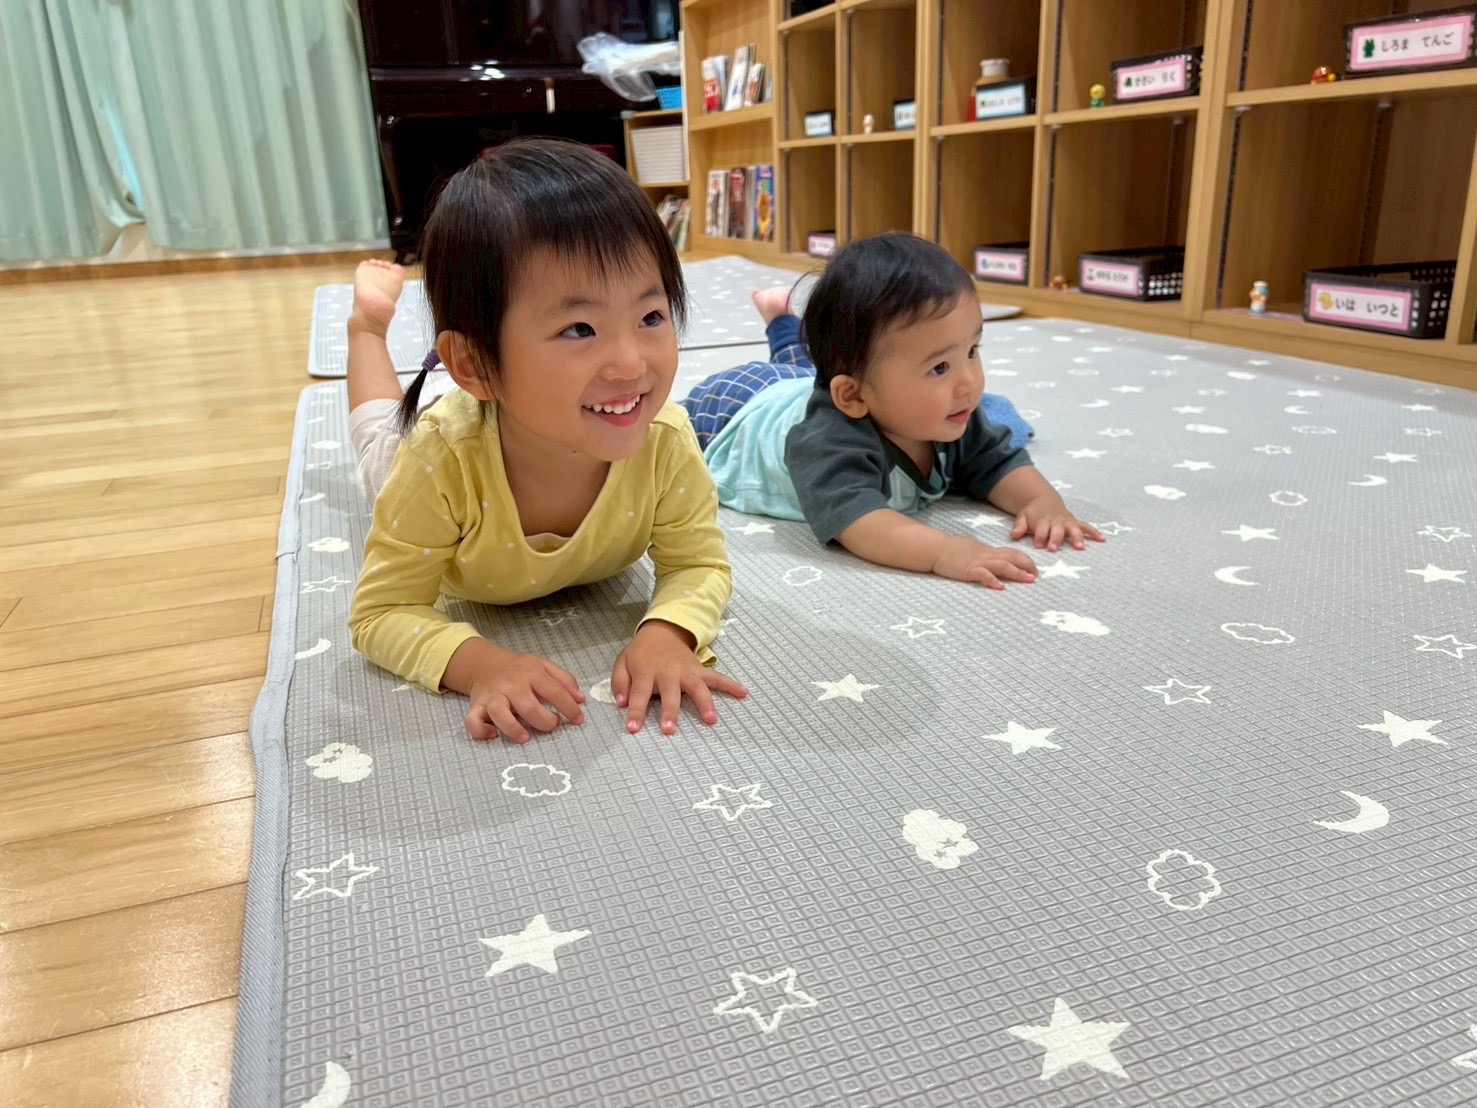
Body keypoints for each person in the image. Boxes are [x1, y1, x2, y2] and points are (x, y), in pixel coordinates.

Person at [345, 139, 746, 743]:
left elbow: (698, 564)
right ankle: (367, 330)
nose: (630, 364)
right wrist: (482, 666)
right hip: (439, 447)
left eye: (650, 317)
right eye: (579, 328)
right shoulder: (437, 461)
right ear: (474, 365)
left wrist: (669, 633)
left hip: (506, 415)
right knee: (379, 435)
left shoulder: (664, 439)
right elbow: (382, 611)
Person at [681, 232, 1104, 589]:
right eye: (939, 367)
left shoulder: (949, 409)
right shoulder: (828, 442)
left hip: (815, 383)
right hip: (738, 407)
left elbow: (998, 461)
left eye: (972, 351)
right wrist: (943, 550)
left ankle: (782, 320)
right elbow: (862, 523)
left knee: (805, 366)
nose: (970, 382)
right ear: (852, 398)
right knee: (670, 430)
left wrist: (1043, 502)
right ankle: (782, 322)